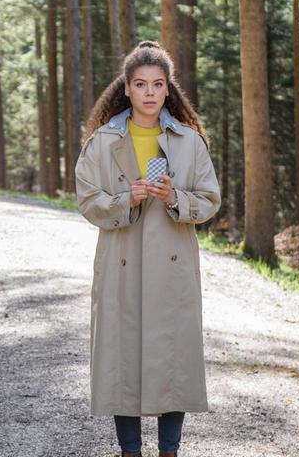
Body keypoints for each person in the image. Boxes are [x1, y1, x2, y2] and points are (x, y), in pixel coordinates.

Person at [74, 40, 221, 457]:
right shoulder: (102, 142)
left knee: (173, 357)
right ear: (126, 88)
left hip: (172, 266)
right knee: (124, 358)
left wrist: (176, 197)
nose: (150, 93)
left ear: (168, 88)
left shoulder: (189, 142)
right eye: (141, 84)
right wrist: (127, 199)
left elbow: (210, 200)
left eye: (158, 84)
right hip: (121, 263)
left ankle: (170, 451)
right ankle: (130, 451)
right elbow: (87, 201)